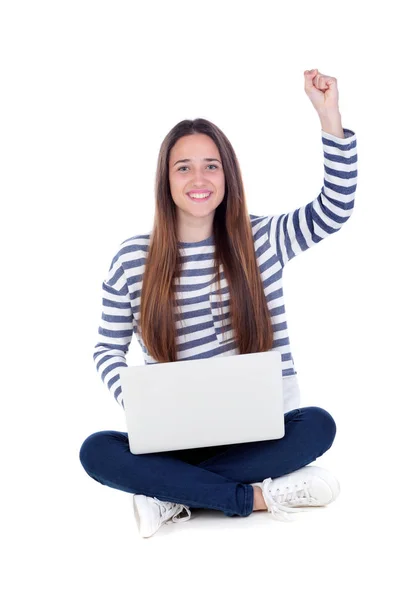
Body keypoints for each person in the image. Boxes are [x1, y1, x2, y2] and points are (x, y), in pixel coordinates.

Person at [79, 68, 358, 538]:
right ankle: (254, 495)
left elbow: (336, 206)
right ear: (165, 180)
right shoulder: (132, 258)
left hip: (261, 432)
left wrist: (328, 117)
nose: (198, 178)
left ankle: (171, 494)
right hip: (176, 441)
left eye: (211, 164)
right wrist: (140, 404)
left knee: (318, 425)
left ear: (227, 173)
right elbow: (106, 349)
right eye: (183, 167)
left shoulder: (262, 238)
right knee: (96, 450)